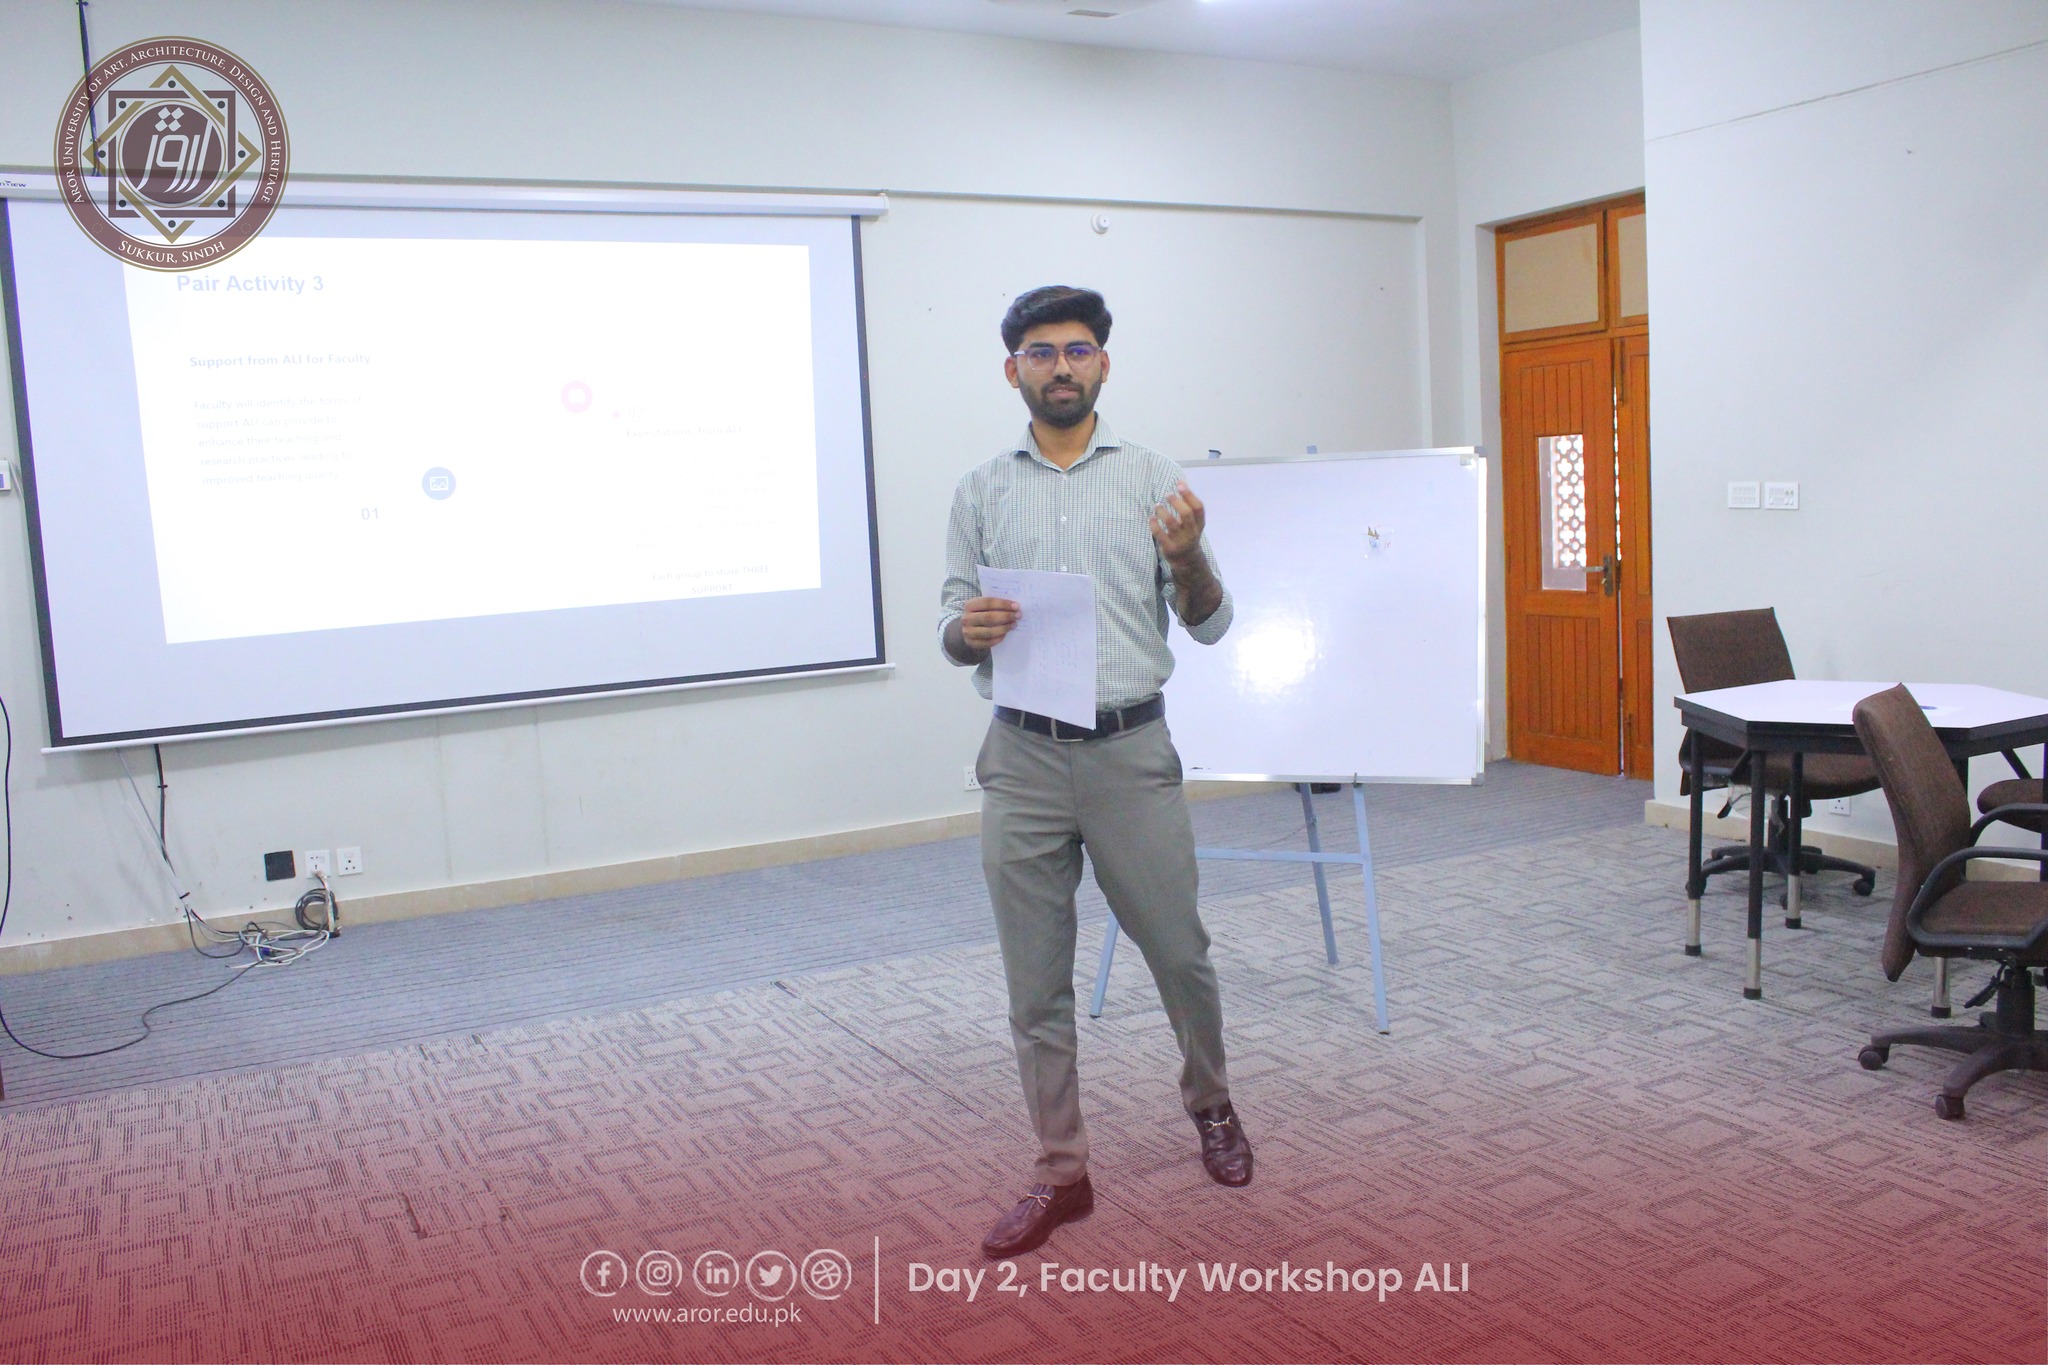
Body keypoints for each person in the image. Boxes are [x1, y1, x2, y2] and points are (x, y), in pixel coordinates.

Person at [937, 285, 1253, 1261]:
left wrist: (1188, 558)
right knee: (1034, 984)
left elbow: (1209, 621)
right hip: (1022, 758)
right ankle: (1060, 1169)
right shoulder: (981, 491)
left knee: (1179, 953)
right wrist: (965, 629)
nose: (1061, 367)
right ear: (1013, 371)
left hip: (1128, 753)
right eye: (1041, 353)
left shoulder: (1153, 479)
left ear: (1103, 364)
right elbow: (951, 626)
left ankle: (1210, 1103)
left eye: (1077, 350)